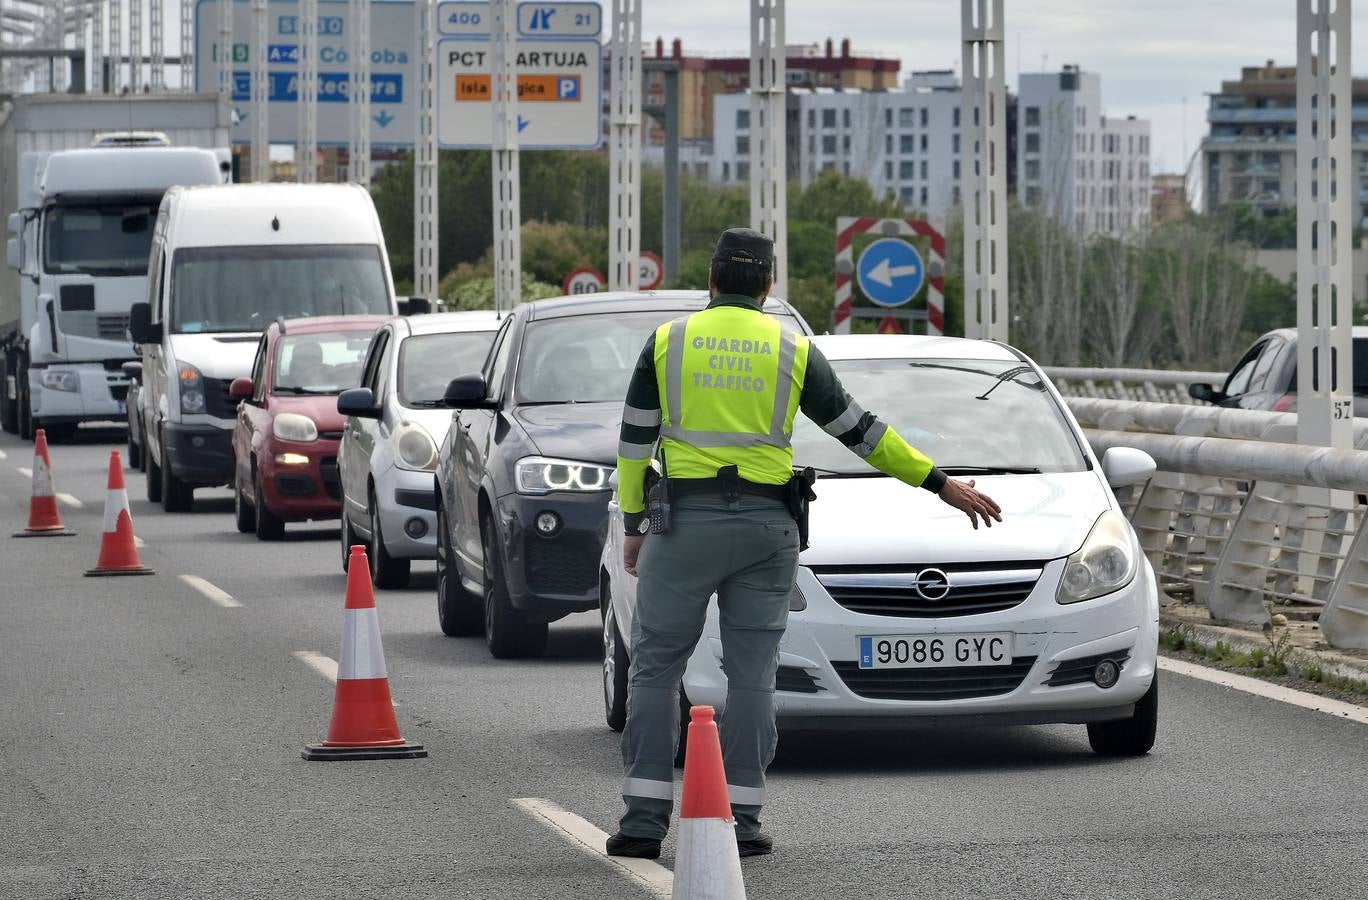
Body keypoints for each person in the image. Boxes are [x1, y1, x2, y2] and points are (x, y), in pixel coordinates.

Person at [606, 227, 1003, 860]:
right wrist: (939, 483)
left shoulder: (667, 342)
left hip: (683, 525)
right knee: (753, 676)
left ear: (711, 280)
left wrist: (633, 524)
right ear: (767, 285)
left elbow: (632, 445)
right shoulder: (793, 349)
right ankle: (742, 818)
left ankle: (643, 823)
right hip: (769, 531)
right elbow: (860, 432)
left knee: (655, 667)